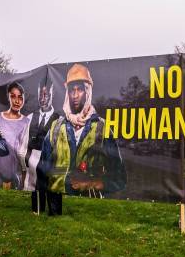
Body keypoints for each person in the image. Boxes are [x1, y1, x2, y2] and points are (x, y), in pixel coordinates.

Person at [38, 63, 126, 215]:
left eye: (80, 89)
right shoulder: (56, 127)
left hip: (88, 210)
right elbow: (42, 169)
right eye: (72, 90)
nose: (75, 94)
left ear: (88, 91)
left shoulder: (102, 128)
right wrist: (40, 205)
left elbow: (119, 178)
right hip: (56, 208)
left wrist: (92, 183)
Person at [24, 78, 59, 213]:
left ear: (52, 95)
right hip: (33, 158)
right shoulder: (30, 117)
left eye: (46, 95)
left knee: (52, 187)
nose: (42, 99)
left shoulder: (59, 119)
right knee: (35, 186)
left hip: (51, 159)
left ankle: (54, 213)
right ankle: (37, 211)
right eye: (40, 95)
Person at [0, 82, 29, 190]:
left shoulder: (26, 121)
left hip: (15, 174)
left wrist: (24, 175)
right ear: (8, 97)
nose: (17, 101)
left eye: (20, 97)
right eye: (13, 96)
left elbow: (22, 151)